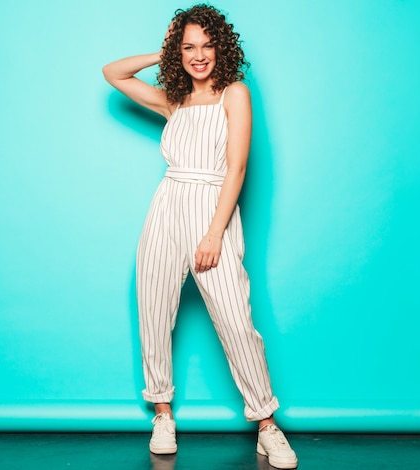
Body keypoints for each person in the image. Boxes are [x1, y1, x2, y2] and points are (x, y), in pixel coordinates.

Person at [103, 4, 298, 469]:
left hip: (212, 210)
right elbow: (113, 73)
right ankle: (162, 414)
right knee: (153, 307)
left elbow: (237, 168)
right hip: (167, 207)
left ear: (221, 47)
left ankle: (267, 424)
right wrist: (164, 49)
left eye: (206, 45)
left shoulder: (235, 93)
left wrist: (213, 233)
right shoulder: (174, 98)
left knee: (234, 317)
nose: (198, 55)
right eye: (188, 46)